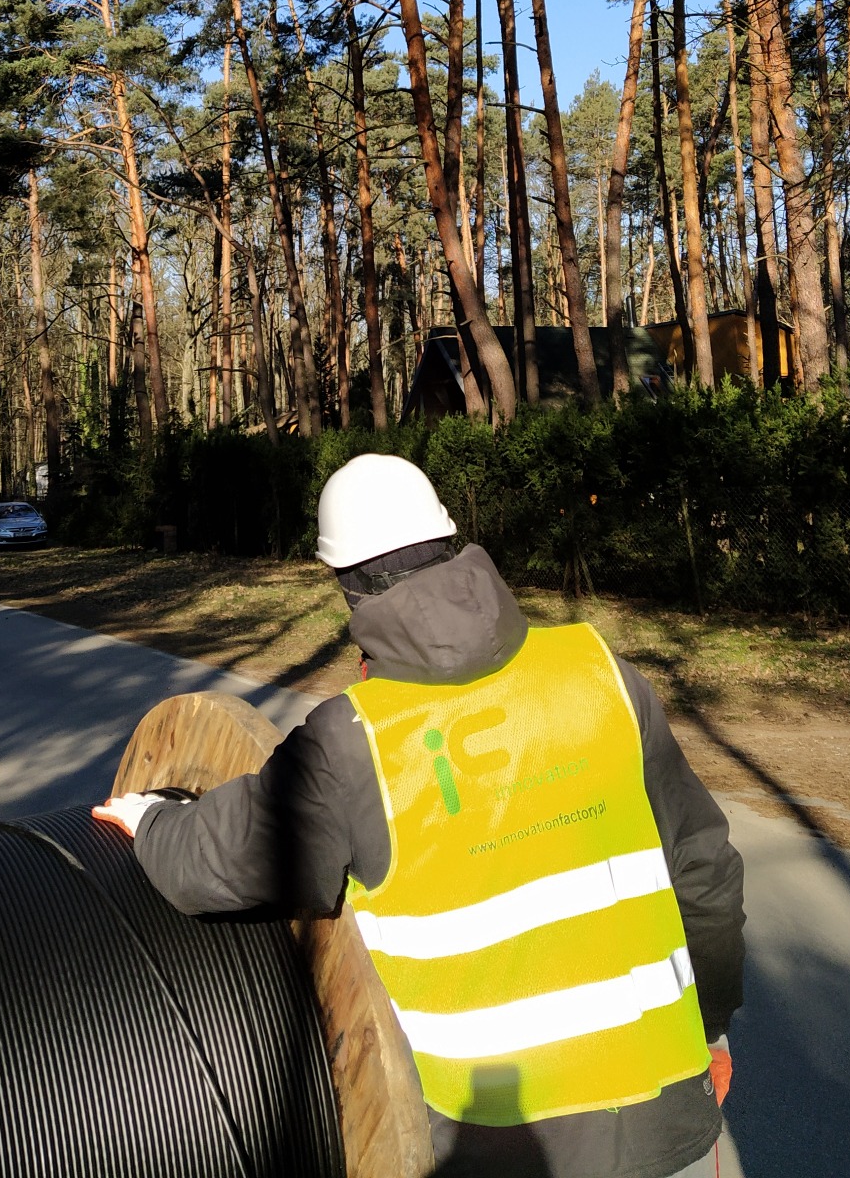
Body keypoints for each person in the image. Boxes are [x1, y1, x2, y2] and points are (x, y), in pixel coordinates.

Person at [95, 452, 745, 1178]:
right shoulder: (602, 675)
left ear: (347, 584)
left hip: (498, 1148)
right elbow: (707, 878)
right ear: (454, 543)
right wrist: (711, 1025)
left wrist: (150, 818)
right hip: (672, 1121)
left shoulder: (353, 743)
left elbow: (214, 863)